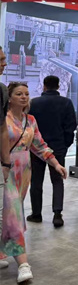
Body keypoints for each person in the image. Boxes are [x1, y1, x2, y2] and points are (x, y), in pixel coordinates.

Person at [0, 83, 67, 284]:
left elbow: (39, 145)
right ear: (9, 98)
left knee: (11, 213)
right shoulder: (3, 119)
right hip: (6, 170)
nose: (24, 97)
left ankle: (2, 253)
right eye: (19, 94)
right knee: (13, 215)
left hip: (24, 172)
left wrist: (56, 164)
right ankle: (23, 264)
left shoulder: (30, 120)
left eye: (27, 94)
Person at [26, 75, 76, 228]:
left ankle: (36, 213)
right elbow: (71, 126)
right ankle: (57, 214)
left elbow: (28, 126)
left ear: (44, 86)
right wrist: (65, 145)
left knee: (36, 181)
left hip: (36, 149)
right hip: (58, 147)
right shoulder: (66, 103)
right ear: (58, 86)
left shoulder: (34, 103)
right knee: (57, 180)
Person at [0, 47, 10, 271]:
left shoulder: (1, 90)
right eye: (1, 60)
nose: (4, 64)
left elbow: (1, 129)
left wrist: (6, 162)